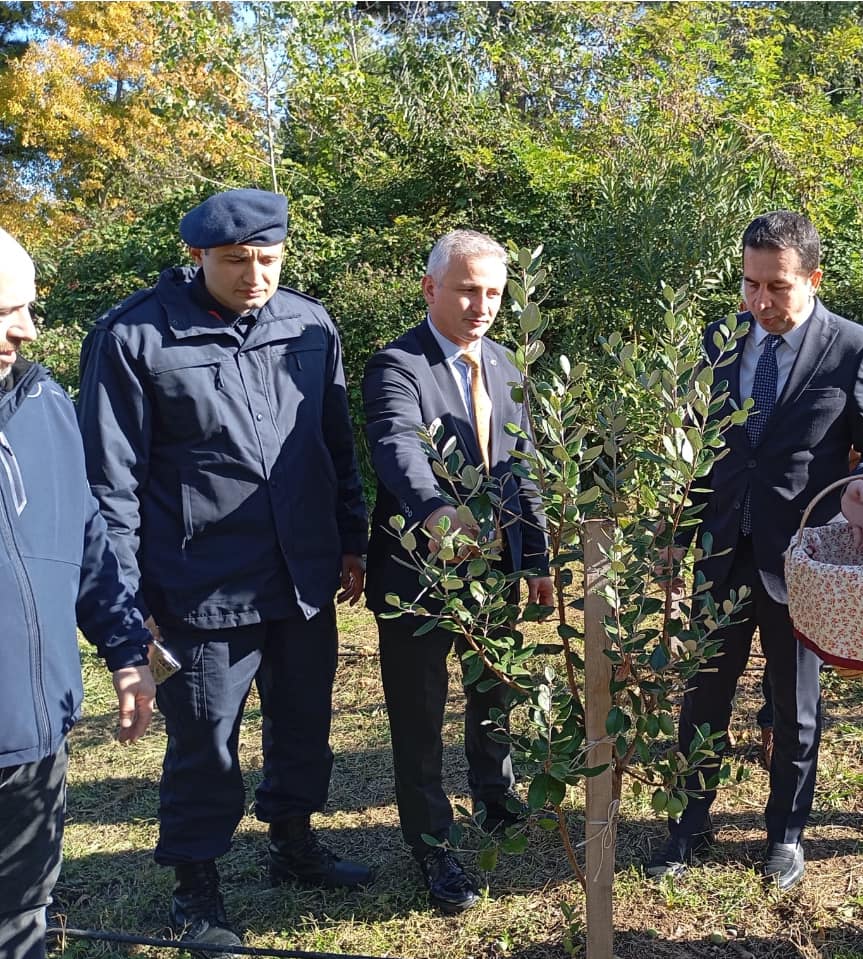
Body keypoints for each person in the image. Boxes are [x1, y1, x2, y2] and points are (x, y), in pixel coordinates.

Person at [77, 189, 371, 954]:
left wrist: (351, 537)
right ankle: (195, 886)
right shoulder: (134, 335)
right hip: (198, 583)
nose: (254, 276)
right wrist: (123, 600)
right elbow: (110, 481)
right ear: (198, 255)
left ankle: (293, 842)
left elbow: (335, 441)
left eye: (268, 260)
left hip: (301, 573)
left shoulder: (309, 323)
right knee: (205, 742)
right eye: (237, 261)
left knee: (304, 723)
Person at [646, 210, 863, 891]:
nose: (760, 302)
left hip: (802, 556)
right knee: (702, 697)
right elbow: (692, 447)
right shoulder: (718, 341)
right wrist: (674, 533)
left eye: (777, 287)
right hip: (721, 548)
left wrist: (862, 488)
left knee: (796, 704)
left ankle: (785, 834)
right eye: (750, 284)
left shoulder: (854, 348)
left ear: (814, 278)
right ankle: (687, 821)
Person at [362, 229, 553, 913]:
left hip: (494, 572)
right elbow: (397, 447)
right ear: (430, 288)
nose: (481, 304)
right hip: (418, 575)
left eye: (494, 292)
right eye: (468, 289)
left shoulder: (507, 365)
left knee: (493, 691)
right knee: (418, 717)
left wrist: (535, 557)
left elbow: (519, 469)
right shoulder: (397, 365)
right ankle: (432, 846)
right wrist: (435, 509)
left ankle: (495, 798)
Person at [0, 227, 156, 959]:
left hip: (35, 735)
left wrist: (126, 651)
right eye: (2, 312)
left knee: (23, 916)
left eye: (26, 307)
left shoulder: (45, 403)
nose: (25, 328)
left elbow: (87, 540)